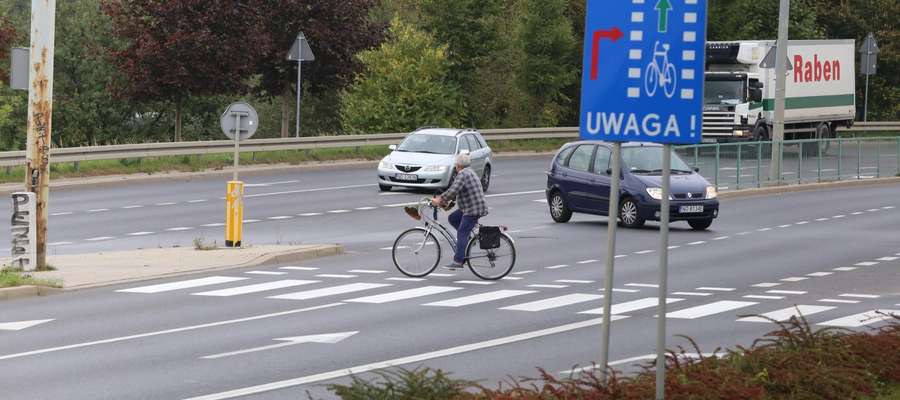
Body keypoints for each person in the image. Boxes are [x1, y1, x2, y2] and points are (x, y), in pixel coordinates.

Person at [431, 153, 488, 270]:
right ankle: (467, 241)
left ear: (458, 165)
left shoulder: (463, 175)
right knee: (453, 218)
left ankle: (458, 261)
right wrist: (447, 202)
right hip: (471, 207)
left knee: (462, 232)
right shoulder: (469, 172)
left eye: (456, 164)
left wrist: (439, 199)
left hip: (472, 209)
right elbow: (458, 191)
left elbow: (453, 190)